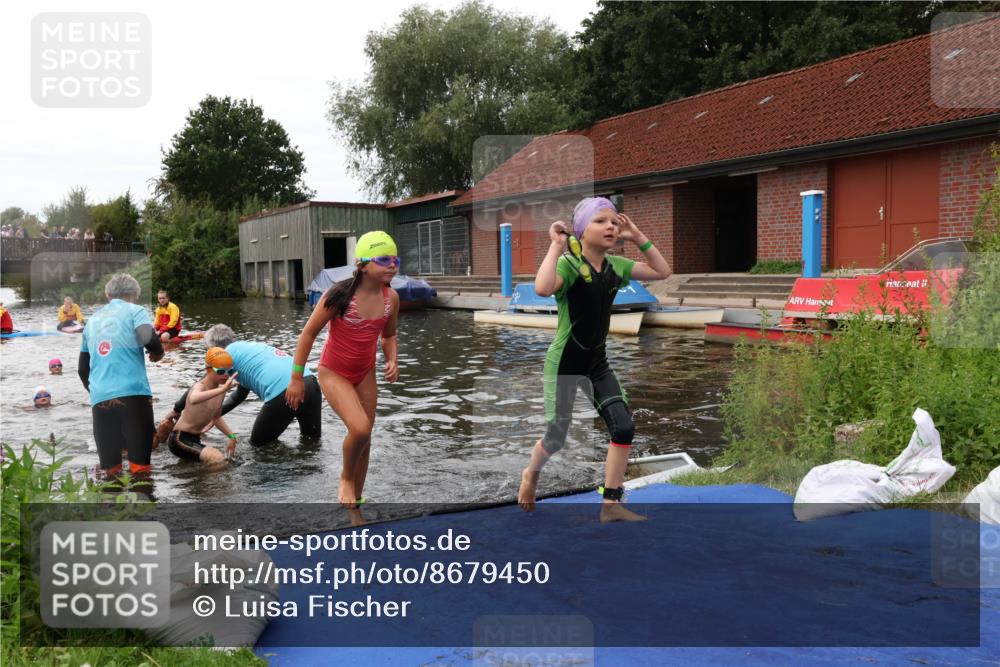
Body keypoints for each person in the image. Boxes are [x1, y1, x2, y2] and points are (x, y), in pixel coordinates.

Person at [517, 197, 672, 523]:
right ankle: (531, 474)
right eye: (601, 221)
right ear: (581, 229)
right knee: (556, 437)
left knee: (624, 427)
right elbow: (543, 288)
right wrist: (556, 246)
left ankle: (611, 503)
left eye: (615, 221)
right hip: (564, 364)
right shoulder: (569, 265)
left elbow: (662, 271)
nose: (611, 226)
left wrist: (638, 235)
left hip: (597, 363)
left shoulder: (617, 267)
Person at [286, 230, 400, 507]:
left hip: (365, 373)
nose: (392, 265)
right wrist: (296, 379)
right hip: (334, 371)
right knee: (359, 429)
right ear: (362, 263)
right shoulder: (339, 295)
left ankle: (355, 504)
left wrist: (392, 359)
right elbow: (308, 334)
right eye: (384, 259)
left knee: (365, 440)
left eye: (396, 259)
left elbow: (388, 335)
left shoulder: (391, 299)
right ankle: (346, 479)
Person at [159, 324, 323, 447]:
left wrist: (176, 409)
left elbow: (199, 386)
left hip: (283, 393)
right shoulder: (246, 350)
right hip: (310, 384)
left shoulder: (226, 356)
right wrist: (214, 417)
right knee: (311, 443)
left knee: (259, 446)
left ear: (215, 349)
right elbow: (239, 395)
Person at [78, 273, 164, 479]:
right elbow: (149, 340)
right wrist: (158, 352)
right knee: (140, 470)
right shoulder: (135, 311)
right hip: (133, 394)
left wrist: (98, 391)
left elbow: (82, 369)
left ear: (108, 295)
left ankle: (111, 507)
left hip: (100, 398)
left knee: (110, 472)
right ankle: (143, 505)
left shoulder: (92, 321)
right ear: (134, 294)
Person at [166, 348, 240, 464]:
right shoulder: (200, 386)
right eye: (221, 371)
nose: (226, 375)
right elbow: (193, 398)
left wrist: (231, 437)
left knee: (204, 466)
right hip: (179, 439)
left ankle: (200, 481)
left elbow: (216, 418)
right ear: (208, 370)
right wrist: (223, 389)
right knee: (217, 459)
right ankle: (209, 483)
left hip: (195, 438)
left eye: (229, 371)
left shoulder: (221, 390)